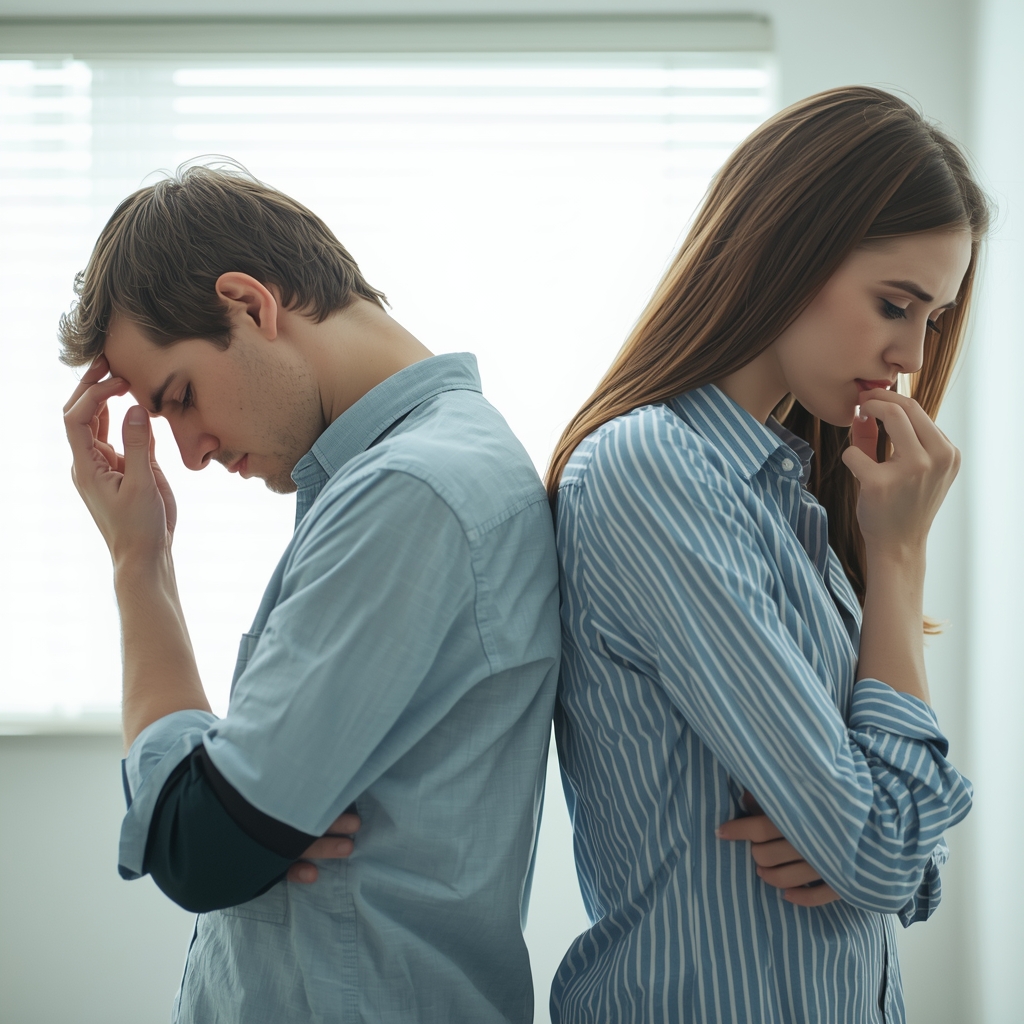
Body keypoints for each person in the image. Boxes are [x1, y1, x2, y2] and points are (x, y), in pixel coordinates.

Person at [60, 165, 560, 1023]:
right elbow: (223, 822)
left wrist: (138, 565)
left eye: (180, 398)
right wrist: (231, 791)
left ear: (248, 305)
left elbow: (198, 847)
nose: (191, 453)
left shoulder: (411, 492)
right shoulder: (409, 475)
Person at [544, 86, 986, 1024]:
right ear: (790, 247)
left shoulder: (790, 499)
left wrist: (869, 839)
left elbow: (897, 859)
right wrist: (898, 558)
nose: (910, 355)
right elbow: (882, 853)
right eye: (895, 304)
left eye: (934, 319)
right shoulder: (652, 468)